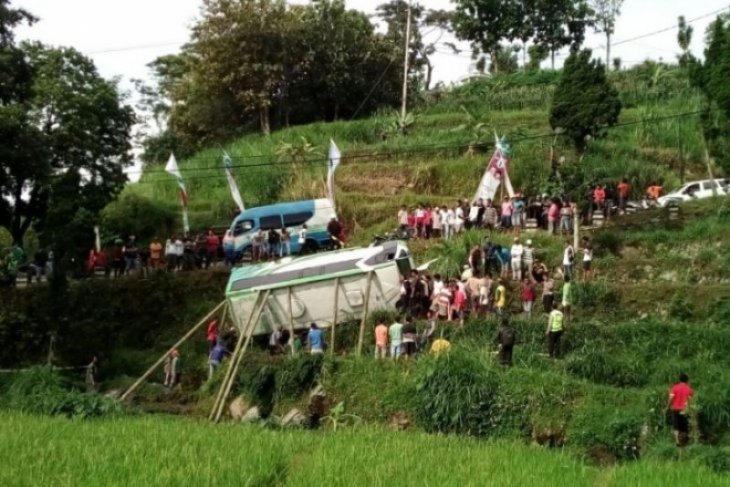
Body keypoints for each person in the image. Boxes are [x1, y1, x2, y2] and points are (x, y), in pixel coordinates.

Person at [668, 373, 694, 447]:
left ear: (679, 380)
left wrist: (668, 406)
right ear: (687, 380)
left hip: (675, 409)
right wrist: (690, 408)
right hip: (684, 409)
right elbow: (690, 401)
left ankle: (677, 441)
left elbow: (671, 398)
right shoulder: (689, 389)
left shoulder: (674, 388)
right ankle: (685, 441)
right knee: (684, 426)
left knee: (676, 425)